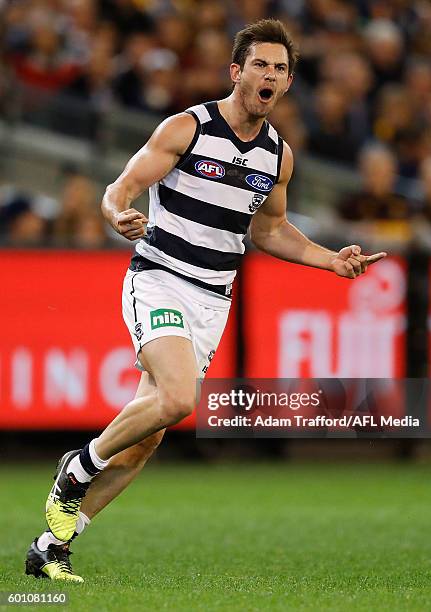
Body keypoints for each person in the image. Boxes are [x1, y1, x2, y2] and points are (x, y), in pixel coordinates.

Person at [25, 19, 386, 583]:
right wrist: (116, 212)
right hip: (160, 277)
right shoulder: (188, 128)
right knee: (177, 396)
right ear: (237, 72)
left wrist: (330, 260)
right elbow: (119, 186)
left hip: (213, 300)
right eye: (261, 65)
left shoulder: (277, 156)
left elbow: (269, 231)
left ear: (289, 83)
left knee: (145, 443)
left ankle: (51, 547)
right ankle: (78, 467)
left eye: (281, 69)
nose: (271, 75)